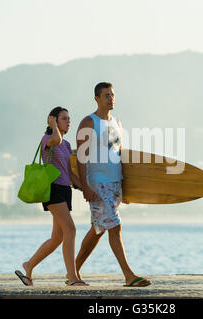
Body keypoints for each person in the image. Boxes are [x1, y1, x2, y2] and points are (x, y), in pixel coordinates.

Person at [74, 82, 152, 287]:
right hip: (98, 183)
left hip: (115, 183)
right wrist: (85, 187)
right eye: (107, 95)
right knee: (115, 227)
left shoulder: (117, 122)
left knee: (98, 229)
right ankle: (129, 275)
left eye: (113, 95)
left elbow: (120, 154)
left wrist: (126, 188)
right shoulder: (88, 123)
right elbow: (81, 158)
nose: (111, 99)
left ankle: (72, 271)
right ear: (97, 99)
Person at [15, 107, 89, 287]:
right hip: (53, 189)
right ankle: (72, 277)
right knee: (70, 230)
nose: (68, 121)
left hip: (65, 190)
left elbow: (69, 173)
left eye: (69, 118)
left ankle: (29, 265)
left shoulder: (66, 144)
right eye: (64, 118)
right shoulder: (48, 139)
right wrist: (53, 125)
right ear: (54, 121)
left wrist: (85, 188)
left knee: (57, 238)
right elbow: (56, 139)